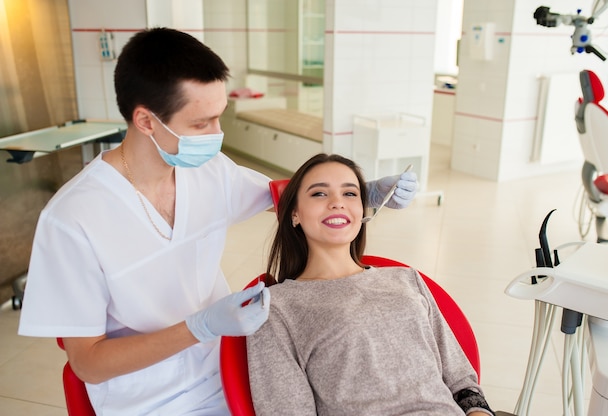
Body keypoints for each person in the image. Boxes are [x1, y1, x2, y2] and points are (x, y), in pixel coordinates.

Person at [17, 28, 418, 415]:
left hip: (237, 366)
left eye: (218, 117)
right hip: (156, 401)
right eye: (200, 124)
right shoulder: (72, 219)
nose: (217, 134)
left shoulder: (209, 170)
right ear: (145, 121)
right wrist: (200, 327)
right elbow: (87, 363)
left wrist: (361, 194)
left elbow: (291, 200)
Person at [246, 153, 495, 416]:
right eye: (319, 194)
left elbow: (463, 383)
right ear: (294, 214)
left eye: (350, 194)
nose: (337, 203)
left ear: (363, 209)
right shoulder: (274, 309)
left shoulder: (407, 278)